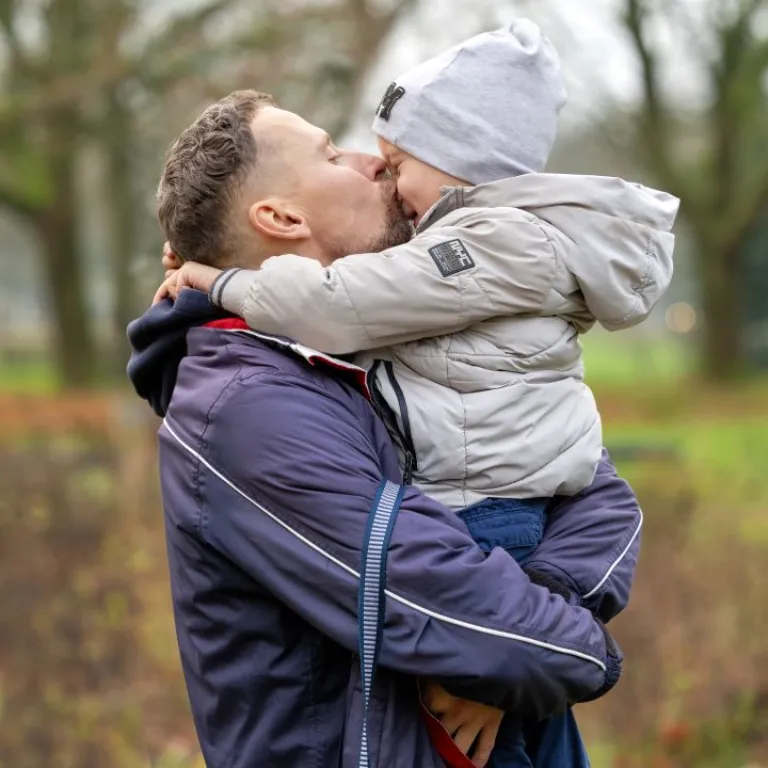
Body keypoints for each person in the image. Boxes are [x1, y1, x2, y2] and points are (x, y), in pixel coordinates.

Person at [155, 21, 674, 766]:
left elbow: (597, 496)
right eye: (335, 154)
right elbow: (456, 610)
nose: (375, 165)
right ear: (281, 219)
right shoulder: (248, 405)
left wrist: (527, 640)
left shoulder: (388, 348)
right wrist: (550, 646)